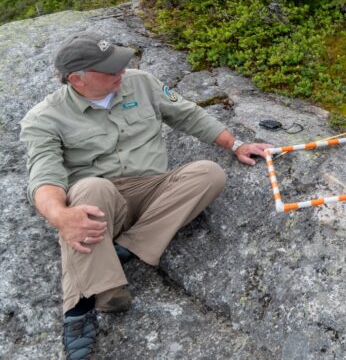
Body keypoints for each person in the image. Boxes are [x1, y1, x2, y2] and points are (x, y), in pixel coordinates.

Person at [19, 31, 273, 359]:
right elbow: (44, 177)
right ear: (76, 79)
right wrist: (60, 217)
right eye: (110, 70)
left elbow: (189, 115)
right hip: (101, 200)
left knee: (209, 173)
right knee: (90, 189)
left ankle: (127, 249)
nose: (121, 72)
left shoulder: (142, 83)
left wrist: (235, 144)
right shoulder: (44, 118)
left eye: (120, 64)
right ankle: (80, 308)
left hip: (155, 192)